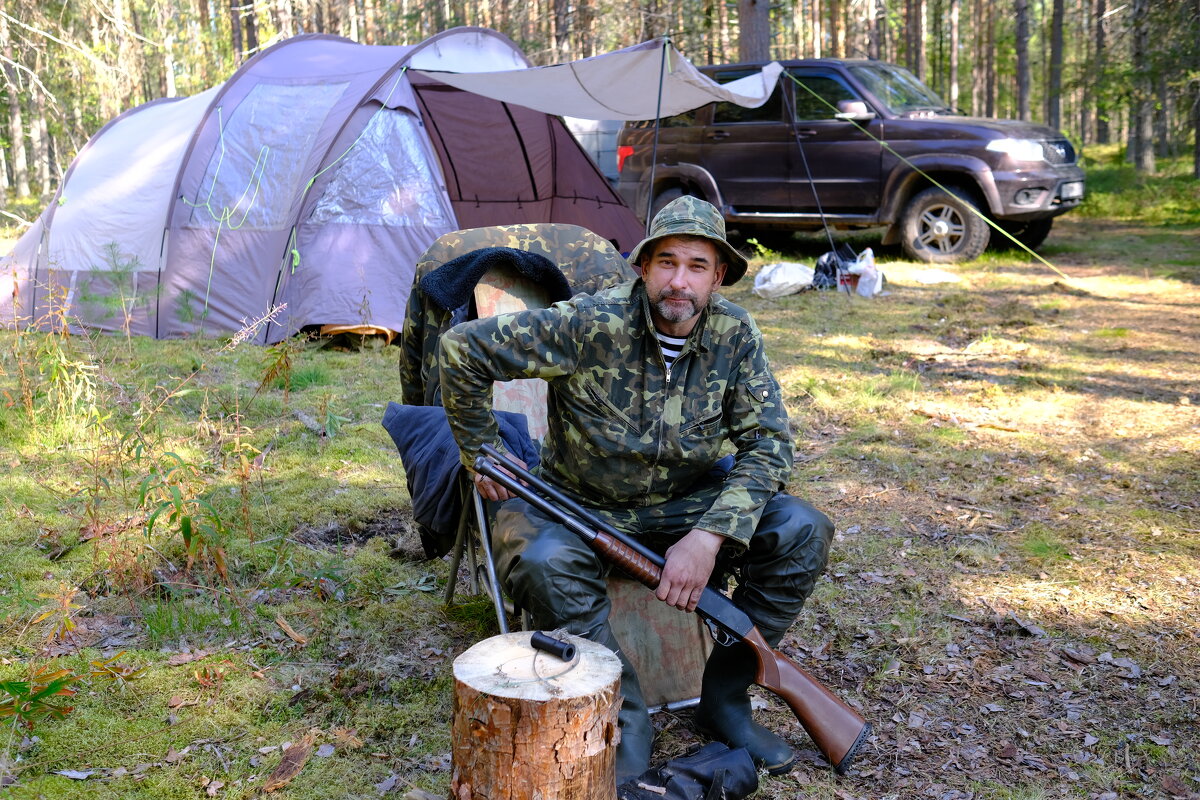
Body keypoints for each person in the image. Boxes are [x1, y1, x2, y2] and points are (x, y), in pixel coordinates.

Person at [438, 196, 834, 780]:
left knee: (803, 528)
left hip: (689, 504)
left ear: (718, 276)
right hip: (580, 506)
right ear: (642, 266)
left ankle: (724, 698)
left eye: (696, 266)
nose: (680, 281)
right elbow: (461, 350)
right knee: (541, 560)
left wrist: (708, 537)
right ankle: (624, 714)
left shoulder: (735, 334)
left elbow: (770, 445)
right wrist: (479, 452)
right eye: (666, 262)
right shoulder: (589, 323)